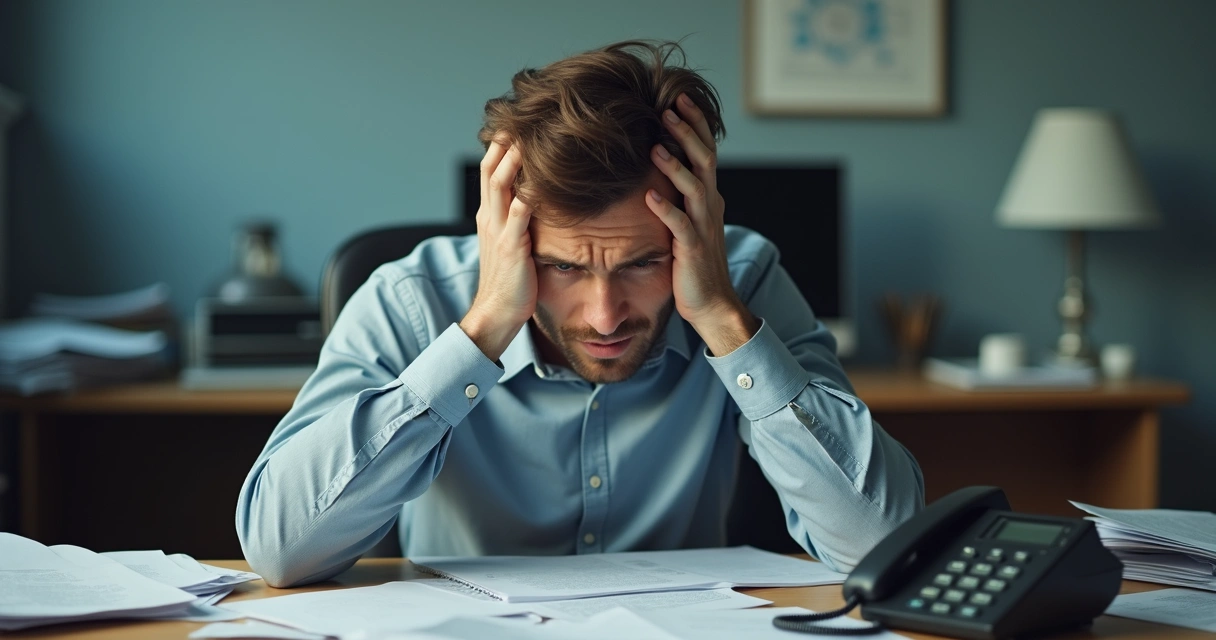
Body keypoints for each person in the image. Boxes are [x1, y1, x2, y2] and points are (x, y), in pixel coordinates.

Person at [236, 40, 924, 588]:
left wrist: (721, 316)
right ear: (507, 233)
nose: (603, 316)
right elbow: (280, 551)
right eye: (564, 267)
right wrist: (480, 334)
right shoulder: (408, 299)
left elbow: (885, 544)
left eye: (642, 263)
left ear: (698, 226)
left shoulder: (741, 282)